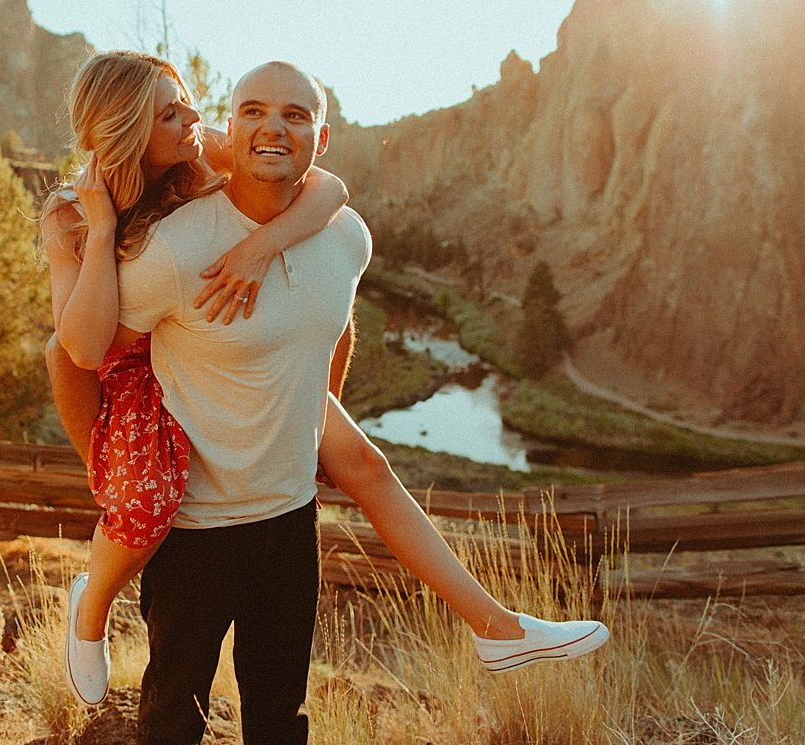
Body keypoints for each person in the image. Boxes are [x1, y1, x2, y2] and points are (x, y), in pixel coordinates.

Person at [40, 54, 607, 728]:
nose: (193, 116)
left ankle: (496, 627)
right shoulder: (90, 219)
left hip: (276, 485)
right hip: (132, 363)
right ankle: (92, 605)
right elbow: (73, 350)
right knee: (148, 554)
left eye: (190, 102)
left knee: (365, 469)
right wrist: (104, 469)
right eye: (171, 111)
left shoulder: (213, 154)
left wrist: (264, 250)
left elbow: (326, 201)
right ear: (130, 130)